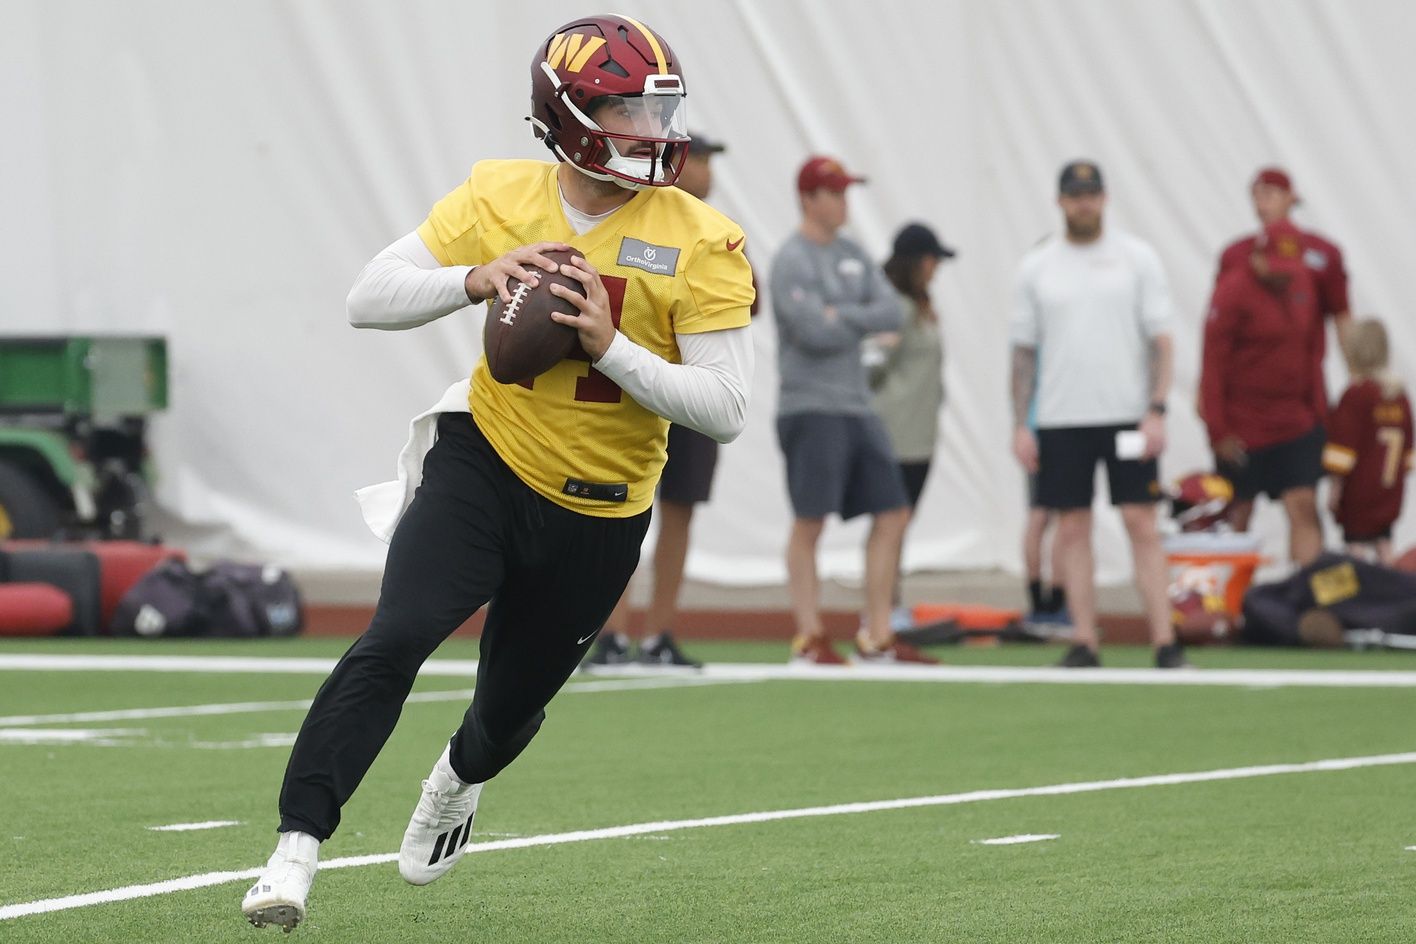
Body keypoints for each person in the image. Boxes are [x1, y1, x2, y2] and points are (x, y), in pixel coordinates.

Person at [240, 15, 755, 931]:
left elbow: (726, 409)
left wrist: (612, 350)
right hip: (488, 462)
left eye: (657, 104)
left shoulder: (704, 239)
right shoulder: (499, 194)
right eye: (626, 104)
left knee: (506, 714)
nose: (649, 124)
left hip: (601, 510)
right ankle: (294, 850)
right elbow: (368, 297)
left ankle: (456, 779)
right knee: (395, 636)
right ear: (567, 115)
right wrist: (476, 277)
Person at [1009, 160, 1184, 669]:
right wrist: (1022, 423)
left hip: (1128, 417)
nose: (1084, 203)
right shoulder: (1037, 267)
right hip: (1062, 419)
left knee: (1141, 522)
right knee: (1071, 528)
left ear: (1104, 199)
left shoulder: (1136, 258)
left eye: (1091, 194)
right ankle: (1084, 639)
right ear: (1060, 201)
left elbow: (1162, 341)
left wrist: (1156, 409)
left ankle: (1165, 640)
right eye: (1074, 195)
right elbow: (1022, 353)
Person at [587, 129, 746, 670]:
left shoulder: (717, 236)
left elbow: (745, 305)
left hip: (693, 396)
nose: (708, 171)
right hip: (636, 389)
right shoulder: (638, 217)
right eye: (701, 158)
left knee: (679, 513)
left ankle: (656, 635)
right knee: (620, 507)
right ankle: (607, 632)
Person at [771, 156, 934, 666]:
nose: (845, 202)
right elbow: (811, 334)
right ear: (809, 198)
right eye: (835, 193)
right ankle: (808, 635)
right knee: (810, 520)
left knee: (893, 511)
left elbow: (892, 313)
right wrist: (854, 322)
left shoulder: (855, 253)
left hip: (858, 405)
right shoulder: (791, 258)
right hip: (811, 405)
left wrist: (837, 314)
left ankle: (877, 635)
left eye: (845, 192)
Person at [1215, 167, 1351, 533]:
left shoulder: (1322, 255)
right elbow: (1215, 344)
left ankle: (1309, 589)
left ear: (1292, 198)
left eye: (1272, 192)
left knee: (1302, 502)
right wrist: (1217, 418)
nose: (1263, 202)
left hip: (1299, 407)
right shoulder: (1236, 256)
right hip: (1245, 409)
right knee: (1237, 506)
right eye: (1256, 193)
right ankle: (1231, 591)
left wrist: (1358, 382)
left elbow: (1343, 319)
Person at [1201, 219, 1326, 566]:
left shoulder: (1304, 284)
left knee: (1303, 504)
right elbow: (1212, 364)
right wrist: (1218, 430)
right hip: (1244, 427)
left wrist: (1320, 414)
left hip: (1296, 423)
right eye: (1276, 267)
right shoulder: (1232, 291)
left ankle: (1307, 604)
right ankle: (1229, 606)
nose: (1283, 275)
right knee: (1239, 509)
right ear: (1257, 257)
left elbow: (1314, 351)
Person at [866, 222, 955, 630]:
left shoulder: (919, 306)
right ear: (918, 262)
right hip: (894, 435)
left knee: (899, 524)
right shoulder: (894, 307)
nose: (936, 268)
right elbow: (869, 367)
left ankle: (889, 604)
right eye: (933, 260)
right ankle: (880, 611)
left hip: (918, 437)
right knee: (891, 523)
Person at [1323, 319, 1413, 564]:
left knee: (1356, 548)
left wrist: (1335, 488)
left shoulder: (1357, 395)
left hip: (1359, 491)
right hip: (1391, 488)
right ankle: (1396, 593)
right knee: (1385, 543)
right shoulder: (1399, 396)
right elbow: (1409, 452)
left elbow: (1343, 448)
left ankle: (1361, 597)